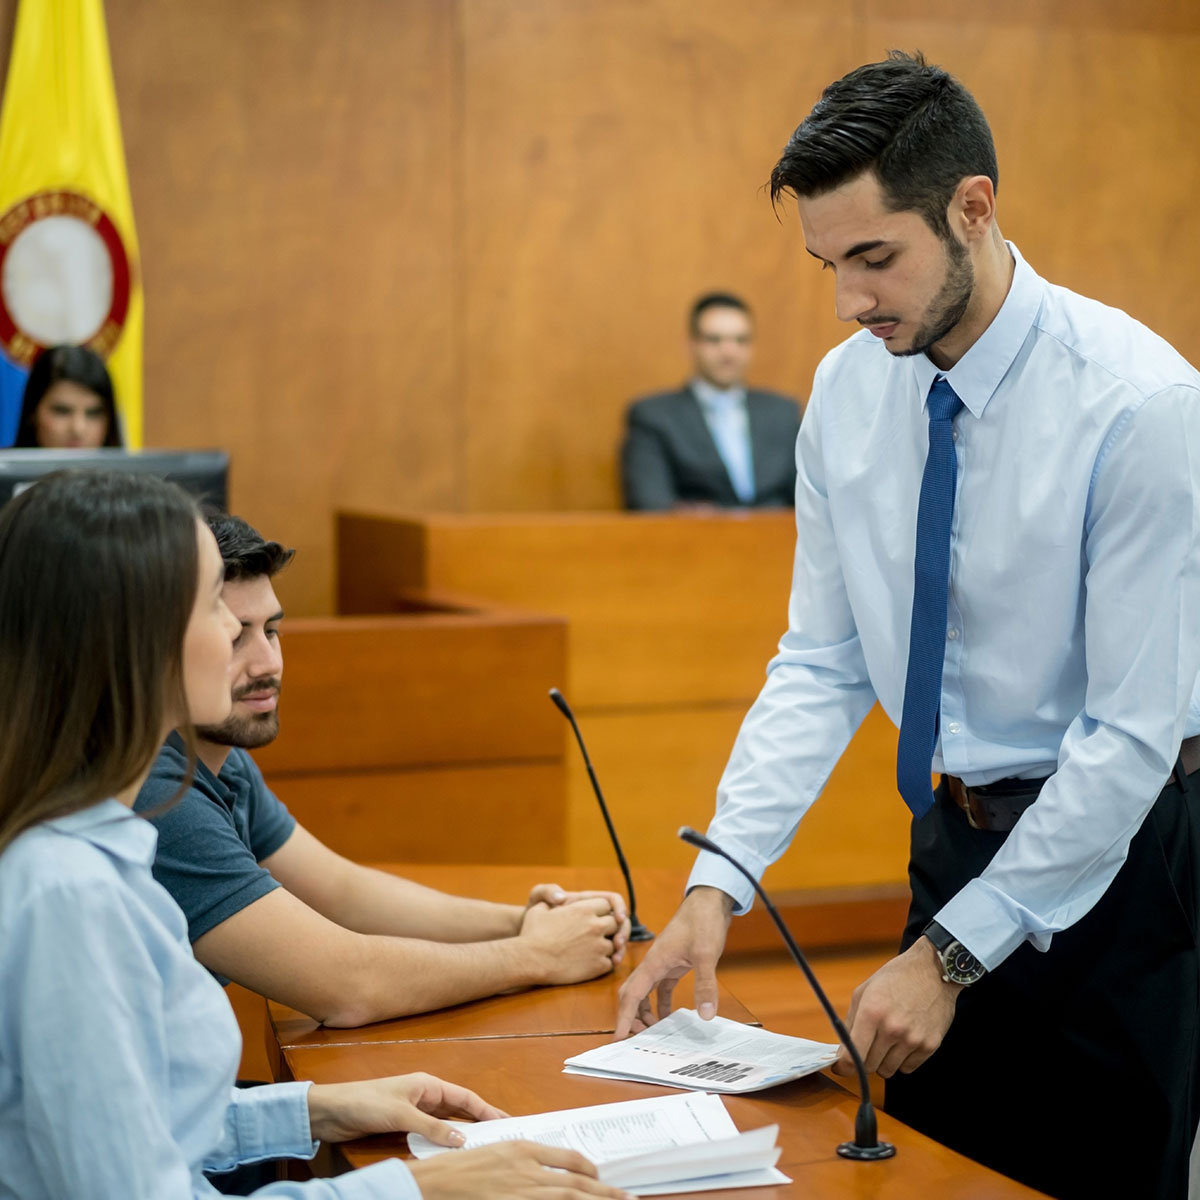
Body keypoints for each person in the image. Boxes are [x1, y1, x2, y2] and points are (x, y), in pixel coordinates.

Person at [615, 50, 1200, 1200]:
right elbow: (824, 660)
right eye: (828, 264)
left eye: (875, 258)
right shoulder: (845, 393)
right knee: (932, 1175)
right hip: (952, 833)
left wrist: (948, 957)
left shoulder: (1142, 406)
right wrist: (718, 880)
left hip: (1129, 861)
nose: (848, 301)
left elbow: (1128, 736)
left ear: (972, 208)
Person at [0, 470, 632, 1199]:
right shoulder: (72, 892)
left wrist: (313, 1108)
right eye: (219, 614)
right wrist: (420, 1191)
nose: (262, 656)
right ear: (136, 641)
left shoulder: (99, 841)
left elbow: (140, 1124)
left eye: (266, 628)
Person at [134, 512, 630, 1027]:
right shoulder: (160, 794)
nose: (268, 664)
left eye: (273, 631)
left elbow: (342, 892)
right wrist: (536, 956)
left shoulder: (218, 759)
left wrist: (523, 924)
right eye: (235, 637)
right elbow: (346, 985)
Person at [619, 292, 800, 510]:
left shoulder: (782, 413)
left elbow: (807, 497)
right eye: (714, 340)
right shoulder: (654, 416)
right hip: (695, 540)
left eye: (740, 340)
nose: (729, 352)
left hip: (779, 540)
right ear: (691, 344)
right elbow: (650, 503)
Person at [12, 343, 123, 448]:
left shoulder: (134, 468)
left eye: (93, 413)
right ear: (32, 414)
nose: (78, 429)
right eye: (62, 411)